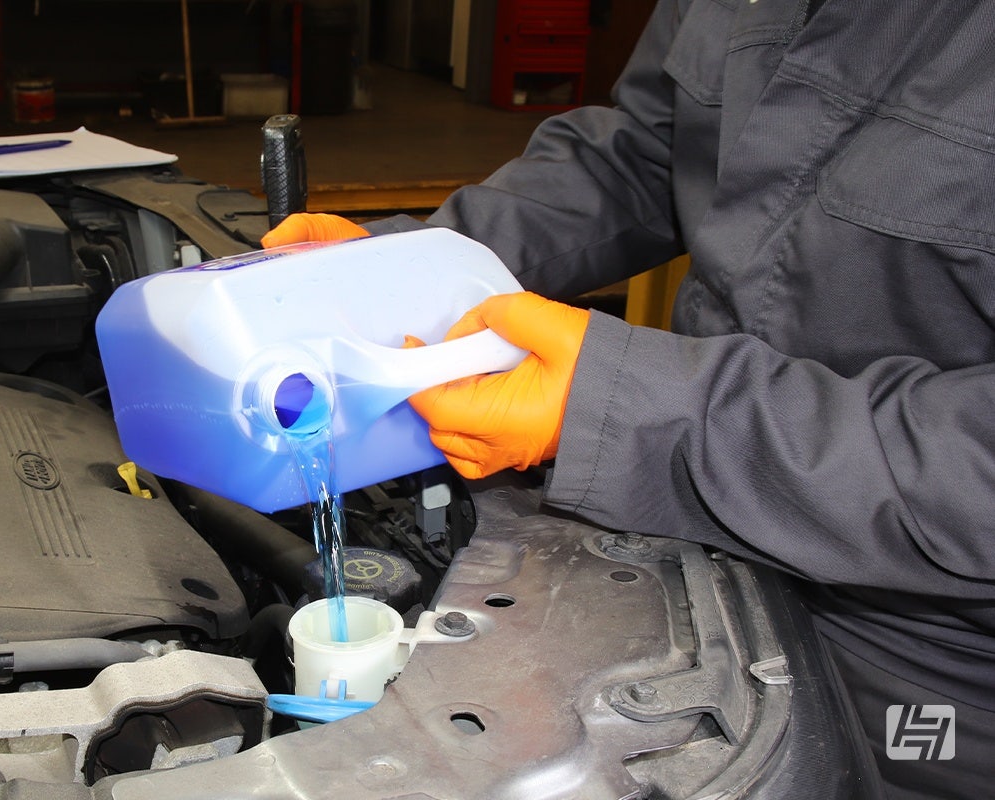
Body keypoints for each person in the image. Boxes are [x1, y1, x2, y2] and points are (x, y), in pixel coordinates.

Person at [261, 0, 995, 796]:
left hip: (925, 650)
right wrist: (411, 276)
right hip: (685, 539)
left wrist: (638, 413)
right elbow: (650, 153)